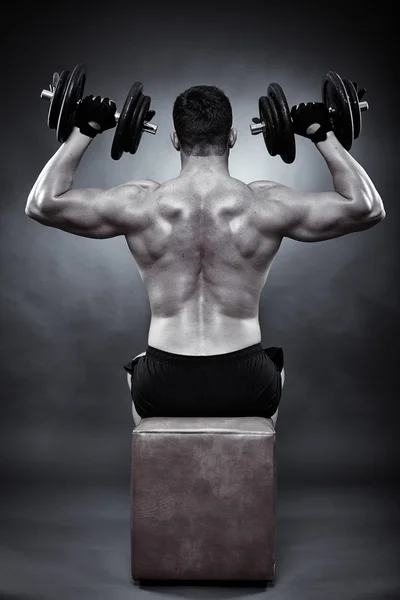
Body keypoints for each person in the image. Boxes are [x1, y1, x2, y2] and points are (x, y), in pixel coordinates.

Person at [25, 87, 385, 429]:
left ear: (175, 139)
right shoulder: (265, 204)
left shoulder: (141, 203)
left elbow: (42, 203)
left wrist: (84, 130)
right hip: (247, 381)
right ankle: (245, 486)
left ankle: (166, 488)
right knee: (274, 366)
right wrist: (322, 133)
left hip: (162, 384)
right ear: (231, 137)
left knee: (138, 366)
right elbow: (367, 208)